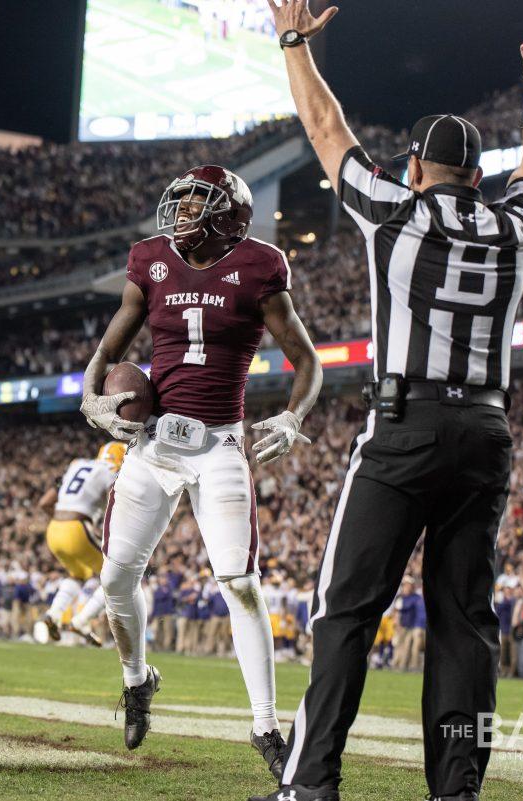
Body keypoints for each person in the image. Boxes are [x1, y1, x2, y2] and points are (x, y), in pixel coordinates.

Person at [258, 4, 523, 800]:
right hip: (486, 431)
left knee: (346, 610)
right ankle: (456, 790)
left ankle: (312, 782)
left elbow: (324, 125)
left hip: (405, 426)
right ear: (480, 177)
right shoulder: (514, 226)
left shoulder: (395, 212)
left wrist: (293, 45)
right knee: (465, 624)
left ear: (416, 167)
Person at [78, 157, 323, 778]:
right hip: (154, 446)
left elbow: (308, 361)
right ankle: (137, 679)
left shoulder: (260, 266)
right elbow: (110, 349)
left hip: (219, 446)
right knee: (112, 581)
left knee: (240, 583)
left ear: (228, 217)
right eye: (181, 203)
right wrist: (93, 398)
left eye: (196, 204)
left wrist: (292, 418)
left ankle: (266, 725)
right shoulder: (152, 260)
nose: (182, 213)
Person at [33, 442, 127, 647]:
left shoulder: (77, 465)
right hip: (77, 529)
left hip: (54, 529)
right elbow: (117, 510)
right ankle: (81, 621)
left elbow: (44, 503)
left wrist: (65, 521)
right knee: (117, 576)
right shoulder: (113, 472)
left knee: (79, 574)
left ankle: (53, 614)